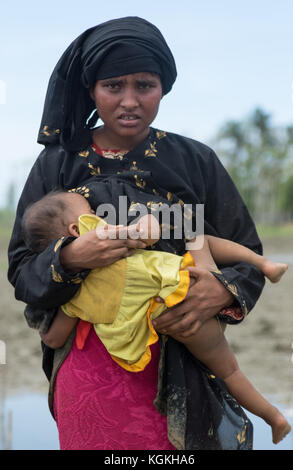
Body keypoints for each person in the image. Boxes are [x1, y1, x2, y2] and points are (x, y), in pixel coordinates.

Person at [7, 17, 272, 450]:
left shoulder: (194, 160)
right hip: (88, 364)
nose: (130, 101)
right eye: (113, 86)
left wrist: (221, 292)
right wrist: (73, 257)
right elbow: (21, 269)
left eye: (144, 85)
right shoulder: (57, 164)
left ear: (163, 87)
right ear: (91, 89)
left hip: (181, 362)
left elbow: (246, 255)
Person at [21, 189, 290, 444]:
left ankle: (273, 417)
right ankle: (264, 264)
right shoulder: (108, 238)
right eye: (91, 210)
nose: (99, 214)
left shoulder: (77, 295)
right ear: (78, 230)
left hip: (170, 321)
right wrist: (146, 220)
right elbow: (149, 232)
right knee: (199, 238)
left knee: (230, 372)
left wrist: (40, 322)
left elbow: (55, 338)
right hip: (190, 291)